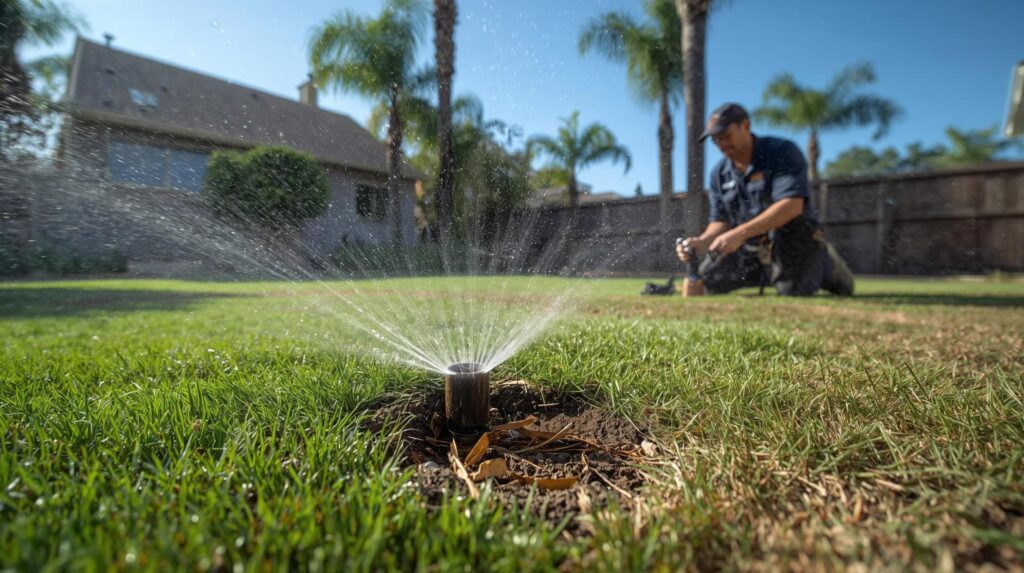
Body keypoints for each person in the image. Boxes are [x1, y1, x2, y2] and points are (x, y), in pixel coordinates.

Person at [676, 103, 854, 296]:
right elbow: (721, 220)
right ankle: (770, 272)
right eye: (716, 140)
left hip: (789, 240)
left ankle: (828, 265)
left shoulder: (781, 152)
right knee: (708, 281)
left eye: (726, 136)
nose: (722, 144)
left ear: (746, 126)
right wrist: (702, 242)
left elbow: (792, 206)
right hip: (748, 247)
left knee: (792, 290)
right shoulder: (719, 174)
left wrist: (740, 233)